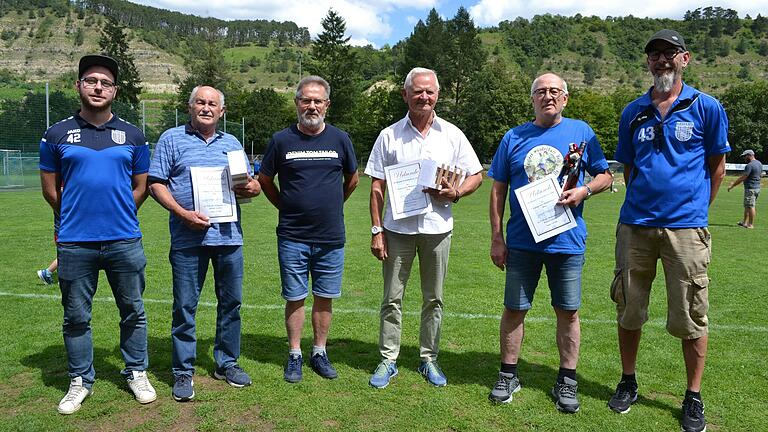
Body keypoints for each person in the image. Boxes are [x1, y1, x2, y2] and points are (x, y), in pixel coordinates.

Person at [608, 30, 729, 432]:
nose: (661, 60)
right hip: (635, 226)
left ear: (685, 59)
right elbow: (629, 168)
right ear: (648, 62)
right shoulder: (633, 112)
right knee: (629, 308)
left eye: (669, 54)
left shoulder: (706, 107)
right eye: (654, 55)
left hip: (686, 230)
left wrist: (694, 210)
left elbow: (716, 167)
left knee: (691, 314)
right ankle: (628, 383)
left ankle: (692, 397)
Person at [486, 73, 612, 412]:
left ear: (566, 98)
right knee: (514, 309)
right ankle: (508, 373)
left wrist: (584, 190)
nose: (548, 96)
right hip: (523, 242)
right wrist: (497, 237)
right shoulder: (513, 137)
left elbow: (606, 175)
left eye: (555, 91)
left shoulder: (582, 132)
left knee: (568, 311)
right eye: (541, 91)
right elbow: (497, 190)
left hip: (567, 241)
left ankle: (567, 380)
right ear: (532, 99)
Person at [39, 54, 156, 414]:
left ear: (115, 91)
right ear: (79, 86)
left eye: (105, 83)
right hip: (75, 243)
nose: (98, 87)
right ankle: (80, 380)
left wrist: (116, 213)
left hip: (124, 240)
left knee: (133, 310)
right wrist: (77, 217)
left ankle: (136, 370)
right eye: (91, 80)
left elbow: (141, 188)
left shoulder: (133, 135)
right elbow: (50, 191)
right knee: (76, 316)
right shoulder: (56, 133)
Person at [365, 67, 483, 389]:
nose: (424, 97)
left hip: (437, 228)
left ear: (437, 95)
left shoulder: (452, 134)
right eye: (417, 91)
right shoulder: (389, 135)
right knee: (391, 297)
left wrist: (457, 192)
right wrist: (377, 231)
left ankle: (428, 358)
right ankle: (389, 359)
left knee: (434, 299)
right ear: (405, 94)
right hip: (397, 230)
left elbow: (476, 174)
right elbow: (376, 187)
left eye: (429, 92)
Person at [148, 85, 261, 401]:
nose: (206, 108)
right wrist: (183, 213)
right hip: (188, 237)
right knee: (185, 305)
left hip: (229, 237)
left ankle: (227, 363)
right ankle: (183, 372)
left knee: (231, 303)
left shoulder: (232, 143)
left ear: (222, 112)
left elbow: (246, 184)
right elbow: (156, 184)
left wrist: (252, 188)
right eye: (201, 102)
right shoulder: (172, 139)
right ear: (190, 106)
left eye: (213, 104)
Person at [259, 76, 359, 383]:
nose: (311, 106)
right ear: (296, 103)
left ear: (327, 105)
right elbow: (264, 180)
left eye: (317, 100)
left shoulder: (340, 139)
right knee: (295, 296)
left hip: (330, 236)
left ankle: (319, 351)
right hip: (292, 236)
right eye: (306, 100)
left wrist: (331, 205)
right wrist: (286, 206)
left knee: (324, 296)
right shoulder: (281, 140)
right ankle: (294, 355)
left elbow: (352, 179)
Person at [727, 149, 762, 228]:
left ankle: (750, 224)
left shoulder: (749, 165)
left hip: (751, 188)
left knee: (750, 206)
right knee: (747, 205)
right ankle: (744, 223)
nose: (744, 158)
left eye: (745, 156)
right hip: (756, 188)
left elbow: (743, 177)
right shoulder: (759, 163)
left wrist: (732, 185)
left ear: (750, 155)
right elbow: (760, 175)